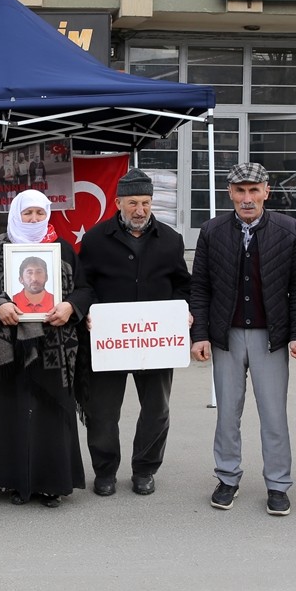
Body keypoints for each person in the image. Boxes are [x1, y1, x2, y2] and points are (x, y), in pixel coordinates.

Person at [189, 162, 296, 516]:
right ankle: (227, 478)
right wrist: (200, 335)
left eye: (253, 190)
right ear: (230, 193)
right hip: (225, 336)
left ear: (266, 192)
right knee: (227, 413)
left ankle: (278, 484)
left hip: (270, 337)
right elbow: (200, 287)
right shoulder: (212, 231)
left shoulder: (289, 230)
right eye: (240, 191)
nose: (247, 198)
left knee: (274, 415)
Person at [0, 189, 92, 508]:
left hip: (54, 344)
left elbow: (83, 288)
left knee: (50, 413)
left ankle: (51, 482)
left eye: (40, 213)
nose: (34, 219)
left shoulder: (62, 248)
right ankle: (12, 479)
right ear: (16, 214)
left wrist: (69, 306)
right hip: (8, 346)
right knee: (10, 410)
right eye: (28, 213)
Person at [78, 168, 192, 497]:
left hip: (155, 343)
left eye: (145, 202)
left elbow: (184, 286)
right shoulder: (96, 240)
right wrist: (88, 313)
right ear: (118, 203)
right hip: (108, 342)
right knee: (102, 411)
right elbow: (84, 286)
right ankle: (105, 471)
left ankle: (145, 469)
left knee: (157, 409)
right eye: (132, 203)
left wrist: (182, 312)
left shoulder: (171, 240)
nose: (140, 210)